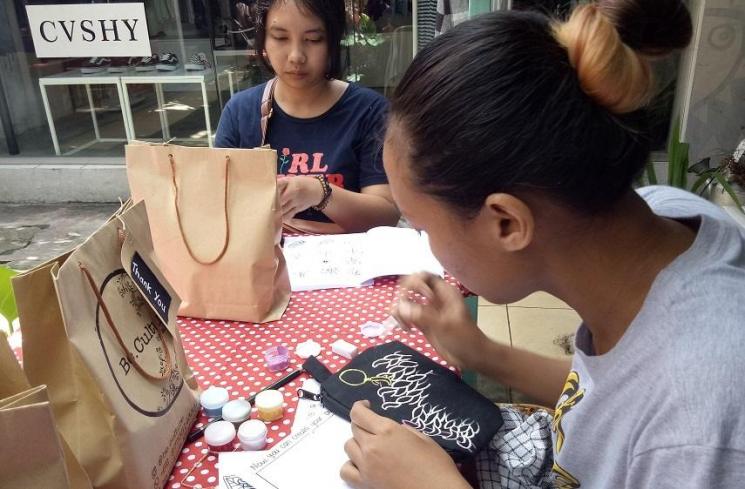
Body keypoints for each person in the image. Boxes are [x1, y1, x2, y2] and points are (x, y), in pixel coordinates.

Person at [340, 1, 745, 488]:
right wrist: (479, 351)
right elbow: (613, 400)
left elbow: (668, 417)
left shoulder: (705, 422)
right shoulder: (661, 215)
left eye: (424, 228)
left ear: (507, 223)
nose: (427, 247)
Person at [215, 0, 399, 234]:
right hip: (266, 265)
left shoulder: (370, 111)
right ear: (264, 41)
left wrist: (318, 192)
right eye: (281, 38)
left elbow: (385, 216)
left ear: (332, 42)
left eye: (313, 40)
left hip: (348, 265)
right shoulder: (240, 112)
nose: (296, 56)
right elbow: (221, 206)